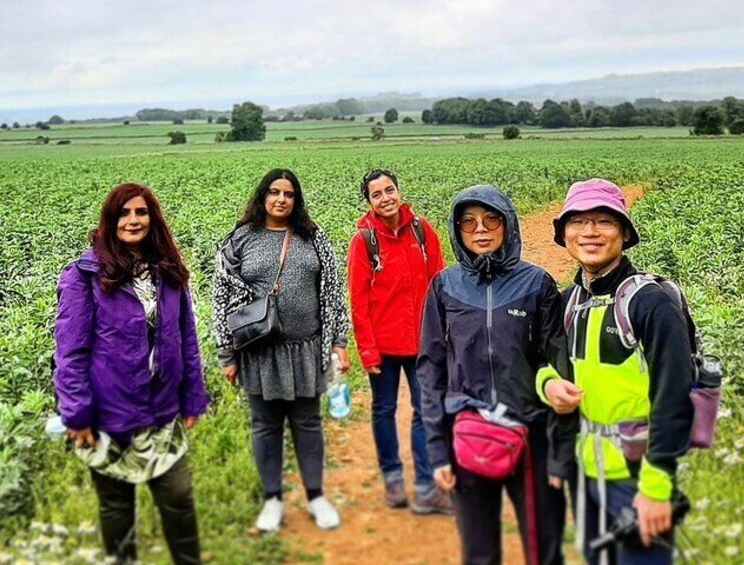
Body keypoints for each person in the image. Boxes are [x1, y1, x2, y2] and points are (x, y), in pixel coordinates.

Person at [53, 183, 210, 564]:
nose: (133, 220)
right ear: (110, 220)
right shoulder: (84, 276)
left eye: (141, 212)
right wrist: (76, 414)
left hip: (161, 410)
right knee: (116, 510)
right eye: (124, 213)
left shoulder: (167, 270)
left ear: (152, 219)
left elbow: (186, 337)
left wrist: (192, 397)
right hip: (110, 416)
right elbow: (70, 353)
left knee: (177, 498)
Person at [539, 179, 694, 565]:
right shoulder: (567, 301)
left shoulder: (650, 303)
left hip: (638, 477)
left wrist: (657, 487)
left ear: (624, 232)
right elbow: (543, 363)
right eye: (578, 221)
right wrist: (548, 386)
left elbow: (675, 394)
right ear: (564, 234)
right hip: (587, 474)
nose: (589, 232)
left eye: (604, 221)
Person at [417, 184, 573, 565]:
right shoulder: (445, 286)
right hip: (468, 431)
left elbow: (558, 364)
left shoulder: (536, 283)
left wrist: (560, 454)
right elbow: (431, 370)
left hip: (531, 431)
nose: (481, 230)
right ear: (457, 230)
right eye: (468, 223)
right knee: (480, 553)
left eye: (491, 219)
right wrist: (437, 451)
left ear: (508, 224)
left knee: (543, 548)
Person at [212, 168, 350, 533]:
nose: (281, 199)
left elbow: (333, 292)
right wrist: (227, 354)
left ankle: (316, 496)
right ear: (263, 196)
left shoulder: (313, 237)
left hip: (307, 350)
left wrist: (338, 342)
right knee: (265, 425)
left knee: (308, 423)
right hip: (260, 351)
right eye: (274, 192)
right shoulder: (241, 239)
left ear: (296, 199)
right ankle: (272, 500)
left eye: (288, 194)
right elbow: (221, 297)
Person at [347, 169, 451, 514]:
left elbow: (440, 284)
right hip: (384, 345)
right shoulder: (364, 241)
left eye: (389, 190)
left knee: (426, 411)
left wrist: (444, 334)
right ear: (370, 202)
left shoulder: (422, 231)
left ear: (399, 191)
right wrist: (367, 351)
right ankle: (392, 477)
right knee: (384, 409)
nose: (385, 198)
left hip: (423, 342)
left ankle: (425, 487)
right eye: (377, 194)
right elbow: (358, 301)